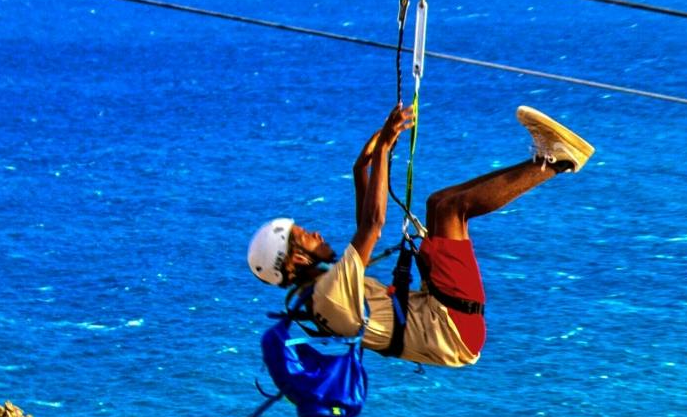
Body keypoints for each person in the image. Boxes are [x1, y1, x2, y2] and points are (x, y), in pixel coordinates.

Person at [246, 105, 594, 366]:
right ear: (296, 258)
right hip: (452, 326)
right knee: (451, 210)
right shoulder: (329, 295)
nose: (315, 233)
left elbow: (364, 231)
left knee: (438, 202)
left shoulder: (320, 296)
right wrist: (382, 149)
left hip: (441, 316)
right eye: (304, 236)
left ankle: (544, 157)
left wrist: (361, 169)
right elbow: (372, 226)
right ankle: (557, 160)